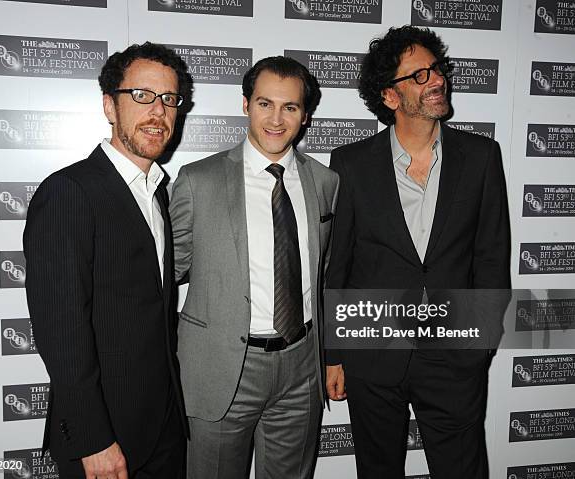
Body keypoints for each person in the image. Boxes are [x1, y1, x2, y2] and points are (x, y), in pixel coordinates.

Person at [325, 26, 511, 479]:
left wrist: (480, 339)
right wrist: (333, 352)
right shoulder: (350, 163)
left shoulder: (482, 156)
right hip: (373, 351)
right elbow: (339, 264)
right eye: (420, 75)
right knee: (378, 468)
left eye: (438, 69)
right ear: (390, 96)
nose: (437, 81)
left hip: (454, 355)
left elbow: (491, 255)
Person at [23, 42, 191, 479]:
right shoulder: (69, 191)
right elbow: (61, 331)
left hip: (164, 425)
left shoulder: (155, 192)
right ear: (109, 106)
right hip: (104, 436)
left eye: (170, 99)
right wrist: (92, 438)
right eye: (141, 96)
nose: (158, 112)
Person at [169, 56, 339, 478]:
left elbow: (328, 276)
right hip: (222, 367)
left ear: (305, 115)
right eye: (265, 104)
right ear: (246, 104)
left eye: (291, 107)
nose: (276, 119)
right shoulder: (198, 180)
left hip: (301, 366)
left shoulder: (325, 182)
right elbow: (163, 274)